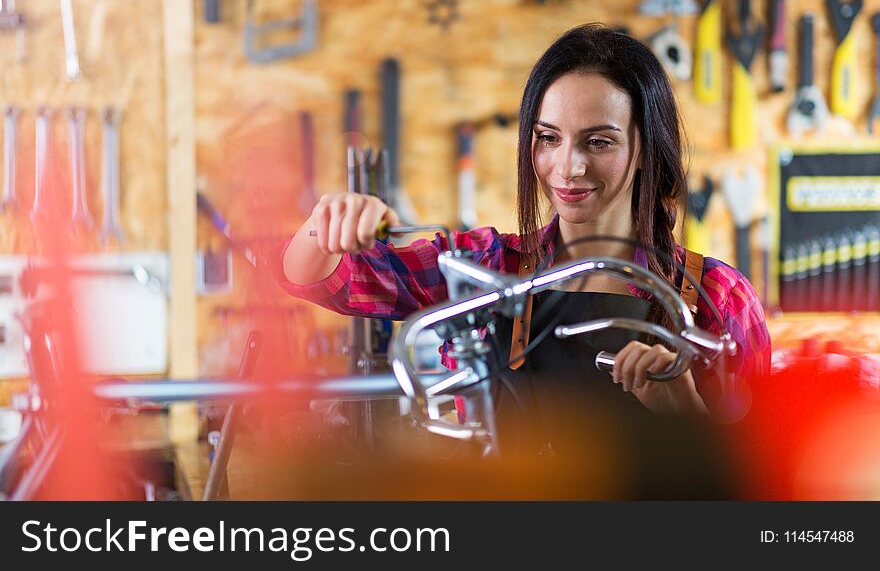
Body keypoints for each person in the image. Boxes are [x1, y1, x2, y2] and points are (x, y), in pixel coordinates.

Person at [278, 24, 771, 447]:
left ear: (645, 147)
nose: (568, 167)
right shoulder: (486, 270)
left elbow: (761, 486)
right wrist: (329, 226)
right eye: (548, 138)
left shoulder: (717, 298)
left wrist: (684, 415)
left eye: (599, 142)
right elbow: (321, 280)